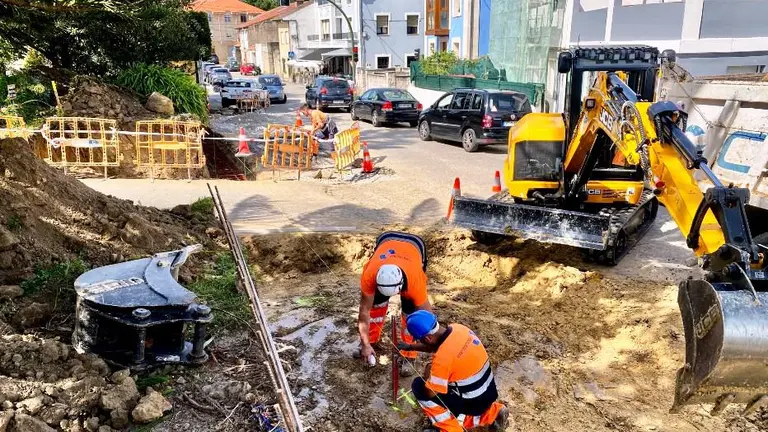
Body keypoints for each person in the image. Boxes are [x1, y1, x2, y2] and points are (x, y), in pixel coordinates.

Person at [404, 310, 509, 432]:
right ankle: (495, 412)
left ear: (427, 338)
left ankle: (451, 429)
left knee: (419, 387)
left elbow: (430, 393)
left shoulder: (442, 359)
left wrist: (428, 374)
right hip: (489, 393)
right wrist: (410, 347)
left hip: (474, 403)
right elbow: (437, 346)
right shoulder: (459, 329)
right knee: (451, 383)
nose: (418, 342)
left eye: (418, 340)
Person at [357, 231, 432, 376]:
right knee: (376, 306)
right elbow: (364, 312)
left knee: (412, 313)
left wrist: (434, 345)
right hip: (386, 240)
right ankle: (370, 344)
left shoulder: (415, 281)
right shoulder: (369, 275)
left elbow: (427, 317)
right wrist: (365, 343)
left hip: (415, 245)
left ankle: (409, 355)